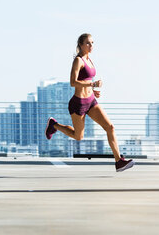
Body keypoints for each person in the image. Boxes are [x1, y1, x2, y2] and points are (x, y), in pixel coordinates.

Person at [44, 33, 135, 172]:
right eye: (88, 43)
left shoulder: (90, 60)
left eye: (92, 43)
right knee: (78, 136)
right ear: (81, 44)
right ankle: (54, 125)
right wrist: (92, 84)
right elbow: (73, 82)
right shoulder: (78, 61)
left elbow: (86, 82)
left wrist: (93, 90)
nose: (91, 45)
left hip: (91, 101)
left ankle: (119, 162)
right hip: (78, 104)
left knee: (110, 127)